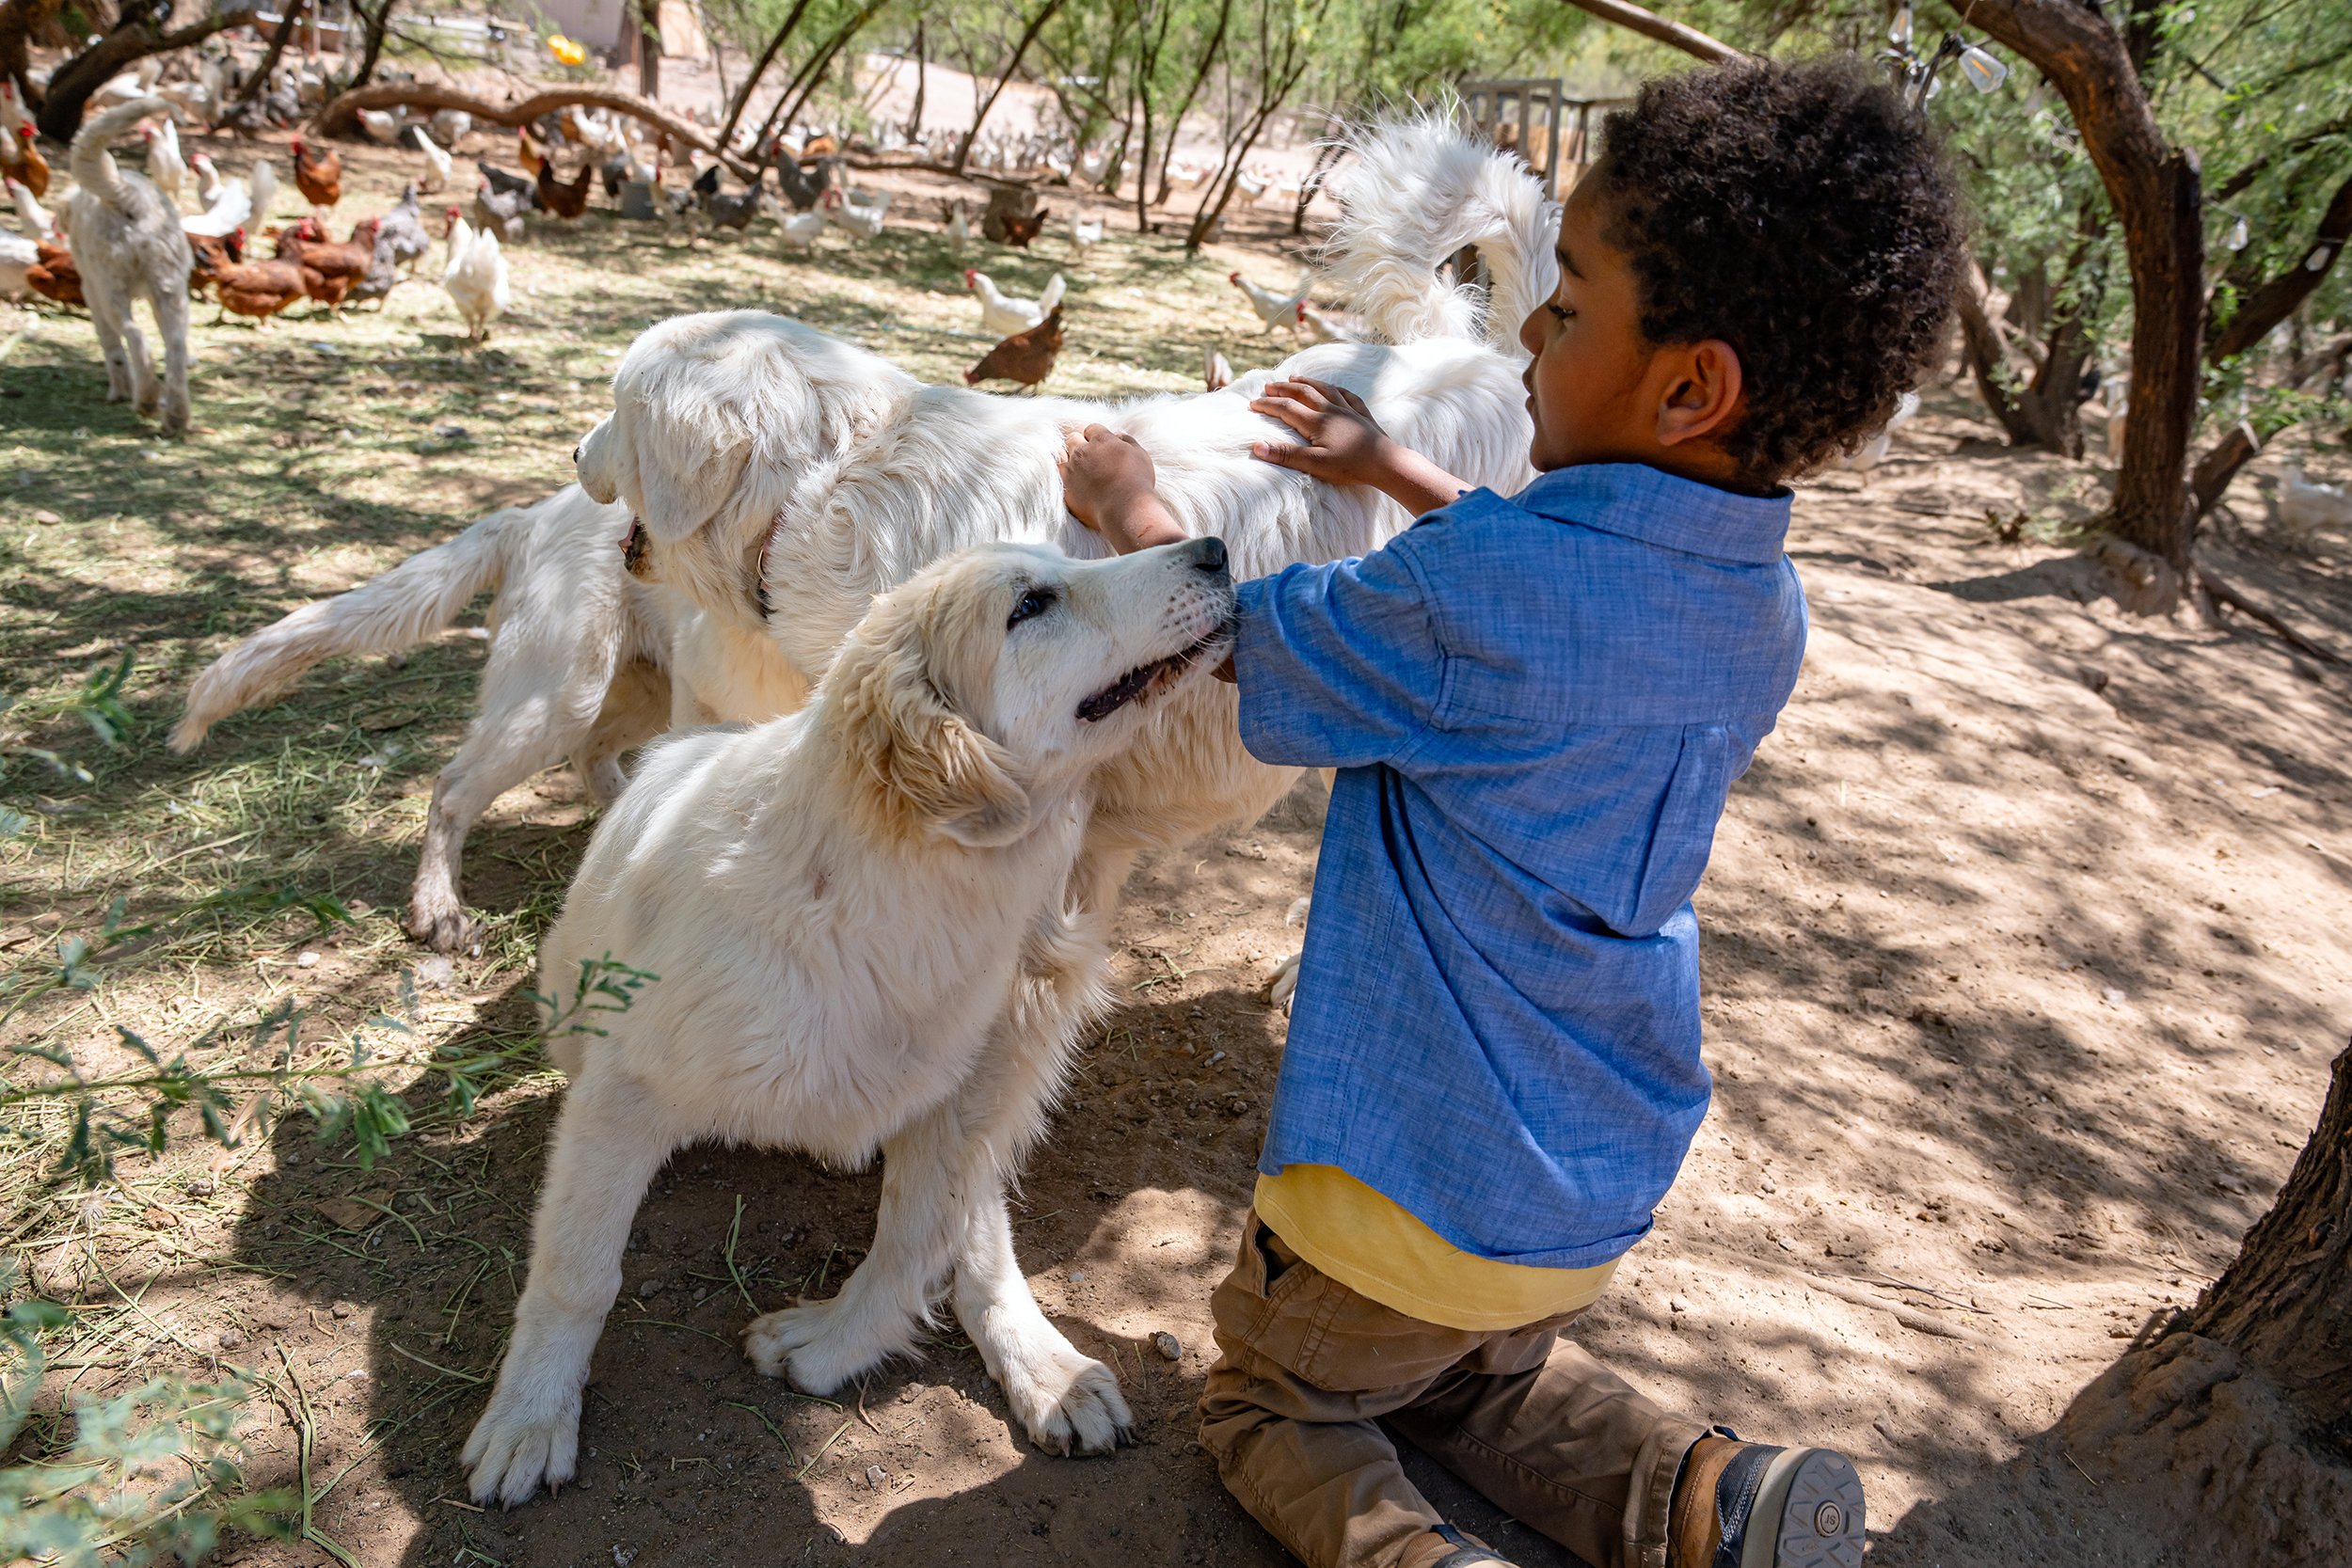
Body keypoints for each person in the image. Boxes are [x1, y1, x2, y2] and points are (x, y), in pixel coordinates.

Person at [1060, 55, 1964, 1568]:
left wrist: (1131, 508)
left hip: (1397, 1198)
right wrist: (1396, 468)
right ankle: (1710, 1498)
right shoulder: (1764, 607)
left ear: (1691, 386)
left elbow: (1242, 639)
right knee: (1478, 1383)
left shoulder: (1471, 597)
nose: (1532, 328)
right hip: (1585, 1189)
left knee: (1274, 1405)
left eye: (1571, 304)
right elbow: (1558, 595)